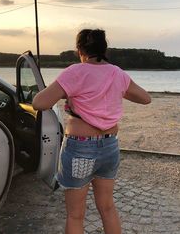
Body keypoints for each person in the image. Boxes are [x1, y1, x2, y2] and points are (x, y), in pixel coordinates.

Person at [32, 28, 151, 234]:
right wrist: (117, 91)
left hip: (80, 148)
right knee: (107, 207)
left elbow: (39, 102)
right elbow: (145, 98)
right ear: (105, 49)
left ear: (80, 50)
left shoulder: (75, 72)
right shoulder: (117, 73)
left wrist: (69, 93)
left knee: (75, 214)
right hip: (110, 146)